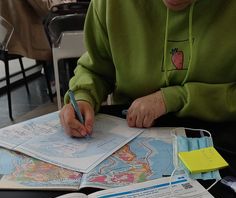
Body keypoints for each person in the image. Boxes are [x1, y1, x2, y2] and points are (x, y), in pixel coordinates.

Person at [59, 0, 236, 138]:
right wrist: (84, 97)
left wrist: (177, 98)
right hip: (134, 132)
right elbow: (97, 68)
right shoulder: (110, 5)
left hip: (222, 133)